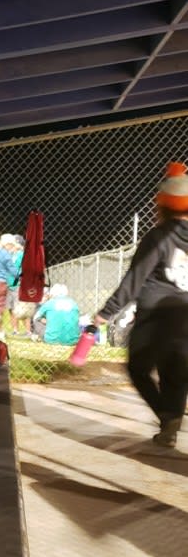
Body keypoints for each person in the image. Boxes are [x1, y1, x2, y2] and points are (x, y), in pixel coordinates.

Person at [95, 161, 188, 448]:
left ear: (164, 204)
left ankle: (167, 417)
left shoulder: (158, 236)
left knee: (138, 367)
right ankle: (170, 424)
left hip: (156, 315)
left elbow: (136, 279)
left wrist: (106, 313)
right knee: (176, 373)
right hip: (185, 316)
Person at [6, 234, 26, 334]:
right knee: (10, 308)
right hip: (8, 284)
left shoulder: (21, 254)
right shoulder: (10, 254)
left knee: (18, 308)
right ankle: (15, 330)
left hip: (17, 284)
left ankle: (26, 330)